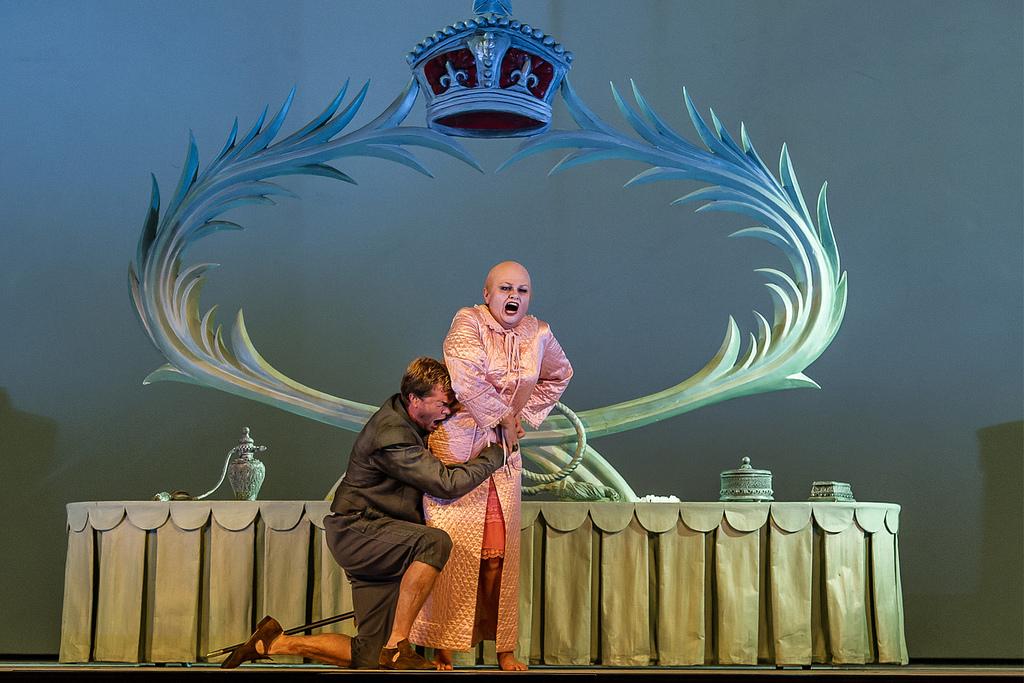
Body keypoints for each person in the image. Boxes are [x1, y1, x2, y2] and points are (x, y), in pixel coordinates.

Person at [221, 357, 506, 670]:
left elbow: (446, 429)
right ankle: (398, 646)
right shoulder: (392, 434)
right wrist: (498, 452)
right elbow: (446, 484)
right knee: (434, 543)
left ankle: (273, 642)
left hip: (379, 535)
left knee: (368, 654)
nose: (446, 411)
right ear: (414, 398)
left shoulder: (410, 420)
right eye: (442, 403)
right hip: (358, 530)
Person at [410, 261, 573, 671]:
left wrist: (524, 415)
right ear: (488, 294)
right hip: (460, 446)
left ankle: (504, 647)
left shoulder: (539, 333)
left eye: (522, 289)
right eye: (505, 288)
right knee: (455, 549)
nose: (514, 296)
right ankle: (443, 645)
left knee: (499, 555)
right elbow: (466, 377)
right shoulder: (468, 321)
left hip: (504, 452)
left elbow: (560, 374)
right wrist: (503, 414)